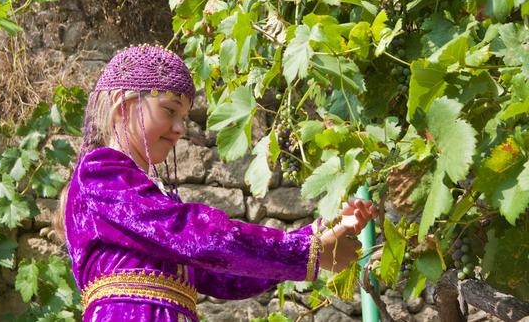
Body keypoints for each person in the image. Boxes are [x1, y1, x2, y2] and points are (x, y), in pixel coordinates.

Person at [56, 44, 378, 322]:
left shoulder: (149, 203)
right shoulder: (100, 172)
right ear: (122, 105)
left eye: (184, 117)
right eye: (169, 110)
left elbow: (227, 275)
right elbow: (200, 236)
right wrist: (305, 248)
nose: (180, 128)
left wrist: (315, 243)